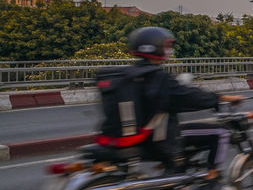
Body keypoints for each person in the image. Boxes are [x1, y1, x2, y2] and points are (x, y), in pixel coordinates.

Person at [96, 26, 244, 175]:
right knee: (221, 132)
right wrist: (219, 98)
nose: (169, 50)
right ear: (157, 48)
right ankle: (212, 177)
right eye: (167, 46)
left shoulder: (129, 75)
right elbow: (187, 96)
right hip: (161, 138)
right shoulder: (157, 77)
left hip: (134, 136)